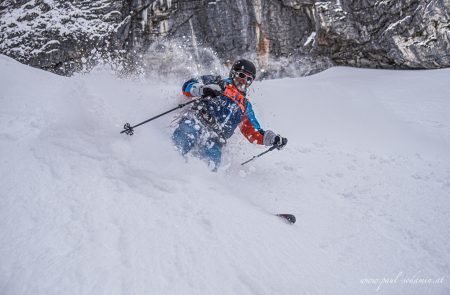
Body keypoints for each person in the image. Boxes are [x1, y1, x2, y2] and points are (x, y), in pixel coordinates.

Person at [172, 59, 287, 170]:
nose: (244, 80)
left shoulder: (245, 106)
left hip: (215, 139)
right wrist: (203, 89)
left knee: (210, 166)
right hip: (196, 122)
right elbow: (187, 86)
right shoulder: (217, 82)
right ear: (233, 73)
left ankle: (197, 186)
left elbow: (253, 133)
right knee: (182, 141)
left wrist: (272, 139)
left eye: (248, 79)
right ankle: (167, 164)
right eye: (241, 75)